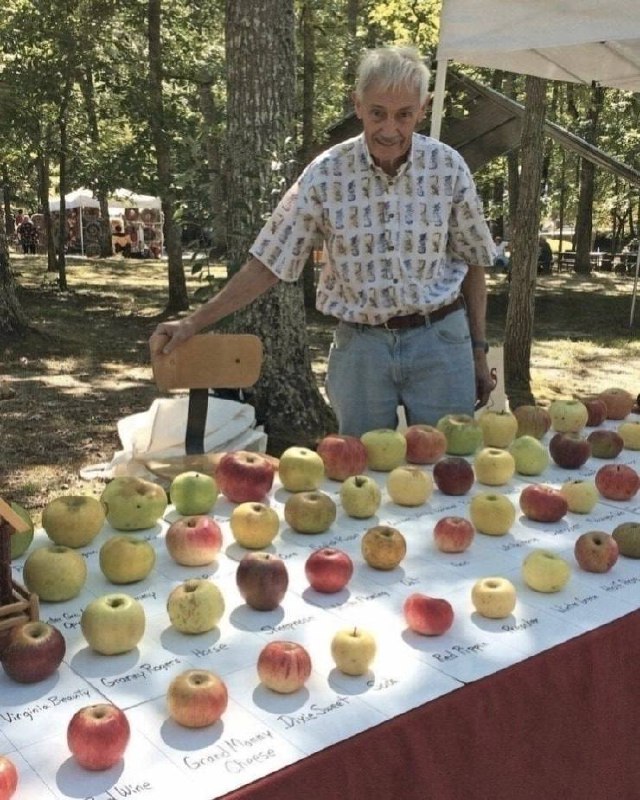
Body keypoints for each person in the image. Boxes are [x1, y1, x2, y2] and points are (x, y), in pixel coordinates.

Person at [151, 46, 496, 437]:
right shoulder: (327, 174)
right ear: (358, 105)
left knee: (448, 467)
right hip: (362, 349)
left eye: (404, 115)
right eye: (377, 112)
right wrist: (194, 322)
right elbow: (268, 261)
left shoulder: (447, 167)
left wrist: (479, 352)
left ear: (423, 107)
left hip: (441, 340)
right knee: (362, 475)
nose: (389, 129)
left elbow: (474, 262)